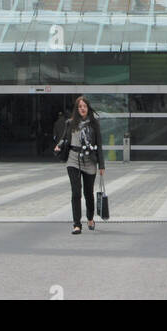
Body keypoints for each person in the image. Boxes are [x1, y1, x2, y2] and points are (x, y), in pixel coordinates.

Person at [55, 95, 106, 233]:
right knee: (76, 192)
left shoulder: (94, 124)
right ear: (76, 109)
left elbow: (99, 145)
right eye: (80, 107)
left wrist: (101, 165)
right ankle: (77, 224)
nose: (82, 109)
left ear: (88, 108)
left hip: (89, 161)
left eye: (84, 106)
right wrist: (59, 146)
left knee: (88, 193)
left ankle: (90, 217)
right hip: (73, 158)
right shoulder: (70, 123)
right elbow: (64, 138)